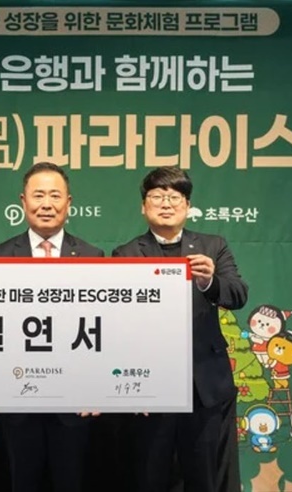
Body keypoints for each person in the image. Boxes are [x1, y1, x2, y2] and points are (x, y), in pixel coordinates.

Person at [113, 167, 248, 492]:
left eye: (175, 197)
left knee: (206, 477)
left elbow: (238, 294)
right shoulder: (126, 253)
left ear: (188, 206)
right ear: (143, 207)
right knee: (152, 475)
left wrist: (209, 282)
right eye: (157, 196)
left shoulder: (213, 246)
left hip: (204, 385)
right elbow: (119, 322)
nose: (166, 203)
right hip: (151, 387)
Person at [0, 162, 104, 492]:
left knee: (71, 481)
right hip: (17, 397)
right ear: (23, 202)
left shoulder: (92, 256)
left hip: (75, 400)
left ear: (69, 203)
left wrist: (96, 387)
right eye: (38, 195)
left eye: (55, 195)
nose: (47, 204)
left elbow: (100, 327)